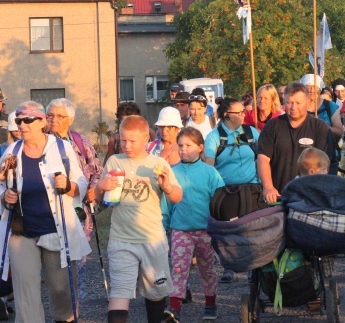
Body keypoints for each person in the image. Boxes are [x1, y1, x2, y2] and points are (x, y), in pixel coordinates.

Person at [0, 101, 91, 323]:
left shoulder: (61, 148)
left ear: (42, 122)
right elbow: (1, 185)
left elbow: (81, 182)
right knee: (25, 292)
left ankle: (65, 318)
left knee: (61, 289)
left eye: (28, 120)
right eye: (19, 120)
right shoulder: (11, 151)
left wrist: (67, 186)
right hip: (21, 231)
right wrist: (4, 197)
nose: (22, 125)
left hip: (56, 229)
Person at [95, 115, 182, 323]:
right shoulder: (115, 161)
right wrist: (101, 187)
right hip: (121, 240)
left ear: (146, 139)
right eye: (123, 140)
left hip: (152, 240)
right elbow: (100, 198)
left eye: (132, 141)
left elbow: (177, 196)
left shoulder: (157, 163)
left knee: (155, 293)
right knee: (119, 294)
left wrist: (167, 187)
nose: (127, 146)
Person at [161, 127, 224, 323]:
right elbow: (166, 202)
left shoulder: (210, 172)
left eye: (188, 145)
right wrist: (163, 224)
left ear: (200, 147)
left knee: (207, 269)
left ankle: (210, 303)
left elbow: (220, 201)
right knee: (178, 269)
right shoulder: (173, 172)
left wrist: (220, 224)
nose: (183, 150)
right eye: (180, 146)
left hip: (206, 230)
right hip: (181, 229)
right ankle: (174, 308)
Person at [46, 98, 104, 300]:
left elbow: (97, 170)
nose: (54, 120)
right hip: (51, 209)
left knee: (78, 256)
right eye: (50, 115)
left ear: (70, 120)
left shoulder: (81, 141)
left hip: (79, 207)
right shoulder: (42, 143)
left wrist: (94, 188)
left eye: (60, 116)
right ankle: (60, 295)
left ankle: (75, 299)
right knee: (55, 254)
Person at [204, 98, 261, 284]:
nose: (244, 115)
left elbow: (262, 158)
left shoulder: (251, 133)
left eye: (244, 111)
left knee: (251, 228)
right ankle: (228, 265)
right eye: (239, 112)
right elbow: (209, 169)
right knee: (228, 229)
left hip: (251, 187)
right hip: (226, 190)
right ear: (227, 114)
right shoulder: (214, 137)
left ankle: (253, 266)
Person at [257, 82, 335, 203]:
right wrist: (268, 187)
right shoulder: (272, 126)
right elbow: (263, 158)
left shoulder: (320, 128)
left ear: (308, 102)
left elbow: (325, 164)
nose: (293, 107)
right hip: (277, 196)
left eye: (298, 103)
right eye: (289, 102)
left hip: (308, 198)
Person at [104, 102, 157, 166]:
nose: (128, 124)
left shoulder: (148, 133)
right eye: (125, 121)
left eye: (131, 121)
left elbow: (157, 152)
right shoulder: (115, 138)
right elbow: (107, 164)